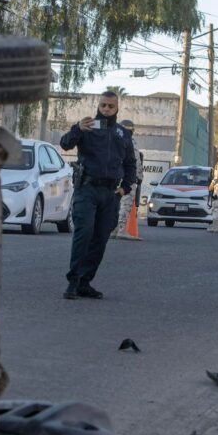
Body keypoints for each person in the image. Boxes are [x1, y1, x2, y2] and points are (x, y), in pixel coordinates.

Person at [59, 91, 137, 299]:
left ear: (117, 108)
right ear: (98, 105)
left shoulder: (123, 134)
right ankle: (73, 281)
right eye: (103, 105)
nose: (106, 110)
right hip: (87, 188)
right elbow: (65, 143)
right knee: (84, 233)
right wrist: (77, 129)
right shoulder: (88, 126)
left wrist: (125, 188)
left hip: (111, 193)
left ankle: (85, 282)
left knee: (101, 237)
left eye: (110, 106)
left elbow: (130, 163)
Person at [111, 119, 143, 241]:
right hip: (127, 179)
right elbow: (136, 162)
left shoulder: (112, 140)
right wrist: (139, 177)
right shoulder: (131, 142)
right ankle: (121, 230)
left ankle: (113, 229)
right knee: (126, 204)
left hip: (115, 177)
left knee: (115, 205)